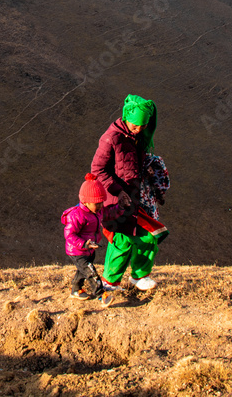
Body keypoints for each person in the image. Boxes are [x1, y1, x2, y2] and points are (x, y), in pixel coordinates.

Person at [91, 93, 160, 291]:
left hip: (134, 199)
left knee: (148, 236)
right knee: (121, 241)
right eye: (136, 125)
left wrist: (144, 169)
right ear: (126, 117)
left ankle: (139, 277)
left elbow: (129, 164)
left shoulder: (135, 138)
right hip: (116, 201)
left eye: (144, 126)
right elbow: (97, 169)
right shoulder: (110, 138)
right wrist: (119, 192)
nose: (139, 130)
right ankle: (110, 282)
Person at [61, 173, 117, 305]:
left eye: (101, 203)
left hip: (89, 249)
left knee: (83, 271)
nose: (99, 206)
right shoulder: (77, 215)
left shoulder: (96, 211)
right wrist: (84, 244)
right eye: (96, 204)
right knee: (91, 272)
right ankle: (101, 296)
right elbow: (69, 235)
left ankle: (75, 289)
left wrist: (120, 208)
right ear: (85, 202)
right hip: (77, 251)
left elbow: (108, 212)